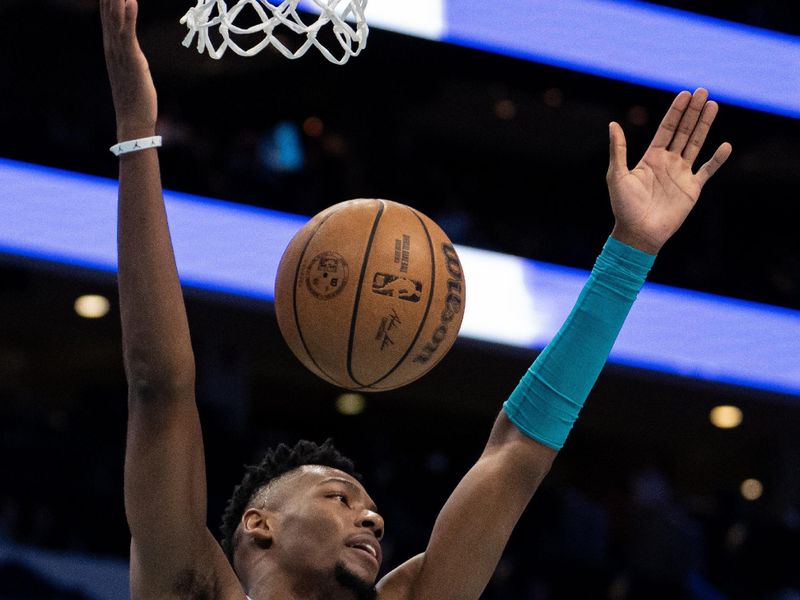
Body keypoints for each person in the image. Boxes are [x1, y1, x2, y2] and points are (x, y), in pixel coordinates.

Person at [100, 0, 732, 598]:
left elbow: (516, 453)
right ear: (259, 525)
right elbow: (159, 385)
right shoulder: (187, 587)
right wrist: (136, 134)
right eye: (341, 499)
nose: (372, 519)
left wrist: (630, 251)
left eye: (363, 506)